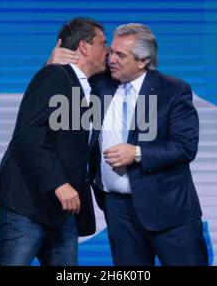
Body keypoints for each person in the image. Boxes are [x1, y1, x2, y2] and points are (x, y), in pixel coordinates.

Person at [49, 23, 208, 266]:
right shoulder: (99, 85)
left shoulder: (173, 90)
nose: (111, 59)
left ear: (143, 60)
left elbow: (185, 146)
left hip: (169, 212)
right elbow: (55, 103)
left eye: (120, 55)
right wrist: (51, 67)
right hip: (118, 210)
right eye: (111, 51)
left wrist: (137, 153)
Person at [0, 17, 108, 266]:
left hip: (63, 211)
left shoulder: (88, 87)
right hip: (28, 204)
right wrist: (59, 183)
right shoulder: (55, 76)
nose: (108, 51)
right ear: (84, 47)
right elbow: (30, 133)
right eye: (103, 44)